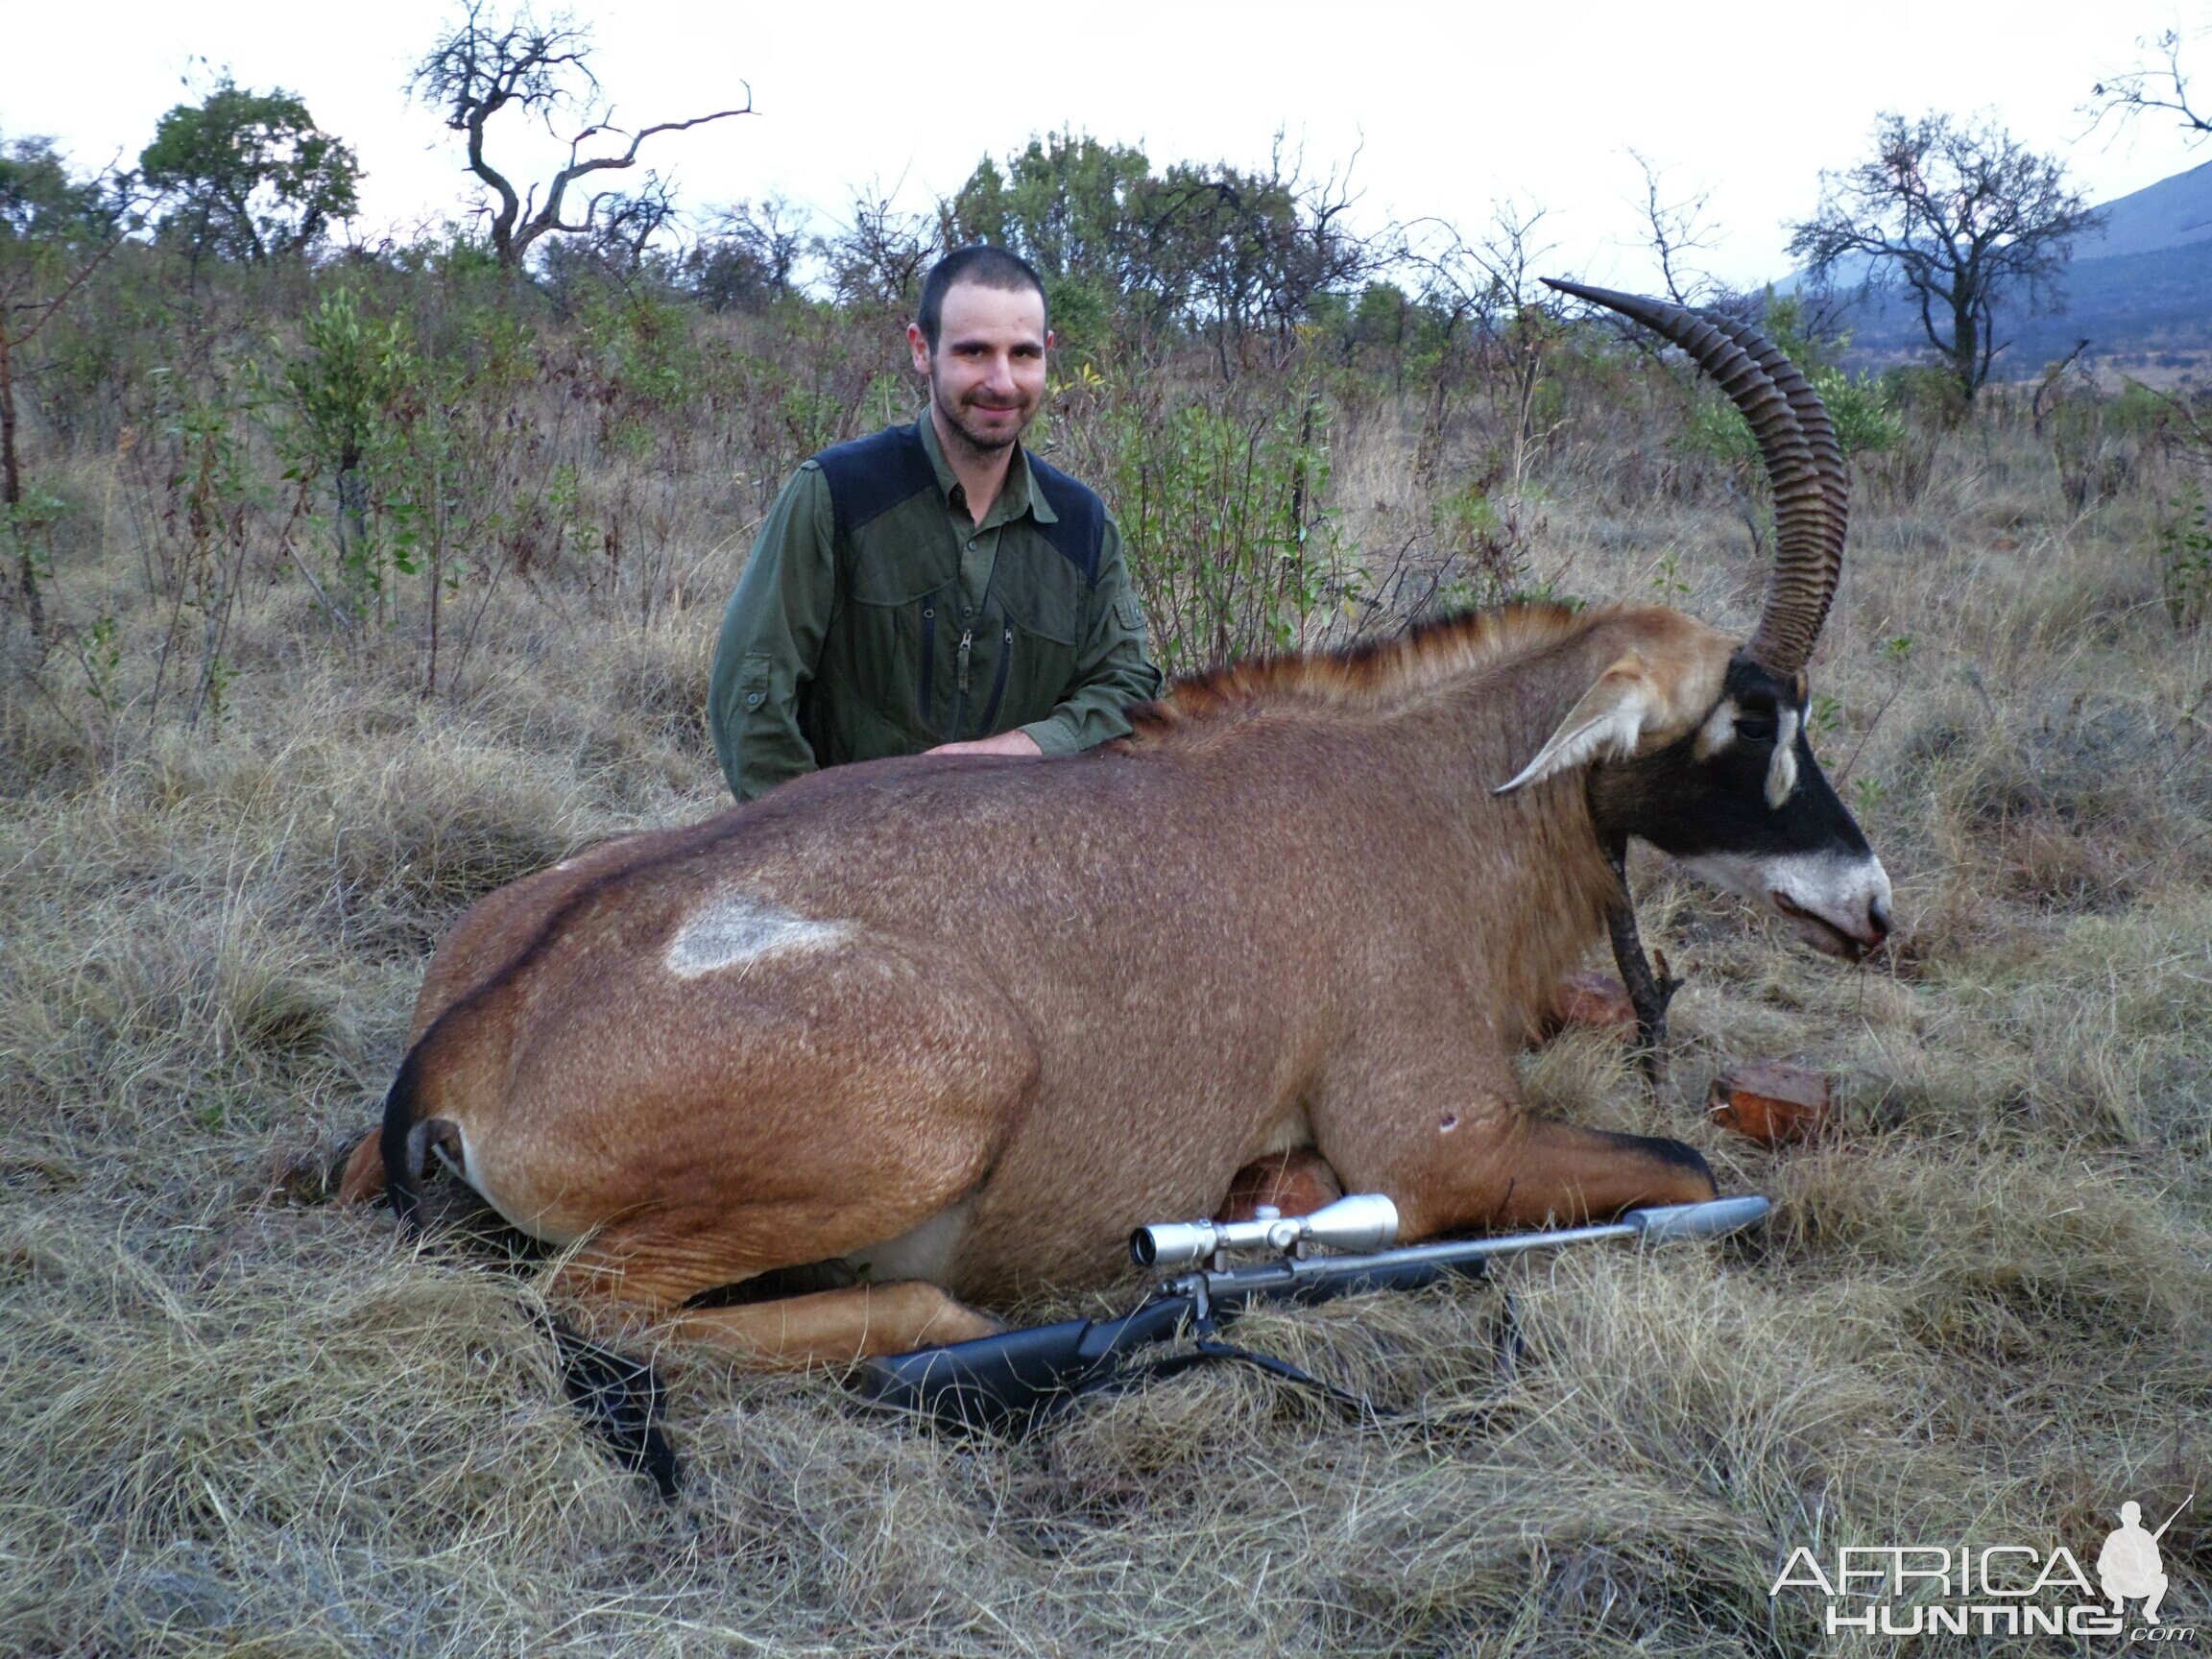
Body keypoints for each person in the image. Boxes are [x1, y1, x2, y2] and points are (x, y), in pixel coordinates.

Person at [708, 245, 1162, 803]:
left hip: (1018, 855)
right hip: (847, 856)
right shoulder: (837, 493)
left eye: (1022, 355)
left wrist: (1014, 751)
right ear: (922, 350)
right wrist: (813, 848)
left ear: (1047, 354)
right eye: (974, 352)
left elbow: (1126, 689)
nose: (1002, 381)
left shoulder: (1081, 525)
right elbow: (753, 694)